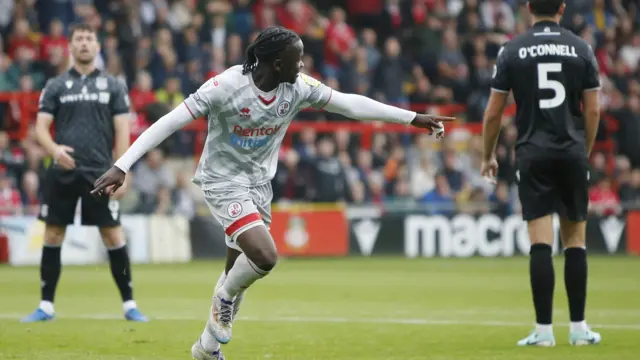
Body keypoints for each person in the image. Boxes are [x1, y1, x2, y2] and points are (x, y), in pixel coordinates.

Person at [91, 26, 451, 360]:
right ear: (278, 63)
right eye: (299, 57)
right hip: (222, 181)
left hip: (259, 185)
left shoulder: (298, 87)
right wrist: (123, 165)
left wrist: (411, 117)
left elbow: (350, 104)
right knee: (264, 256)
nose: (304, 63)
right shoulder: (225, 86)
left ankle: (206, 348)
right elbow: (169, 122)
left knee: (239, 268)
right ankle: (223, 299)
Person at [480, 0, 601, 347]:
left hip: (532, 153)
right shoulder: (582, 49)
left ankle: (544, 332)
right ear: (563, 8)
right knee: (575, 241)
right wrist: (585, 150)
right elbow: (592, 110)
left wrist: (488, 155)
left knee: (541, 243)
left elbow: (493, 113)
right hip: (571, 151)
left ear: (529, 8)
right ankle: (579, 329)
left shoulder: (511, 50)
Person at [22, 23, 148, 323]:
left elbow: (121, 131)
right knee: (53, 233)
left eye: (89, 39)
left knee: (112, 234)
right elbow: (40, 128)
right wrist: (54, 151)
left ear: (98, 46)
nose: (84, 44)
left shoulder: (114, 85)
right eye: (78, 39)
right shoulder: (56, 85)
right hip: (63, 171)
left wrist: (124, 168)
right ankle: (46, 306)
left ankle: (130, 305)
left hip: (100, 173)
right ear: (70, 46)